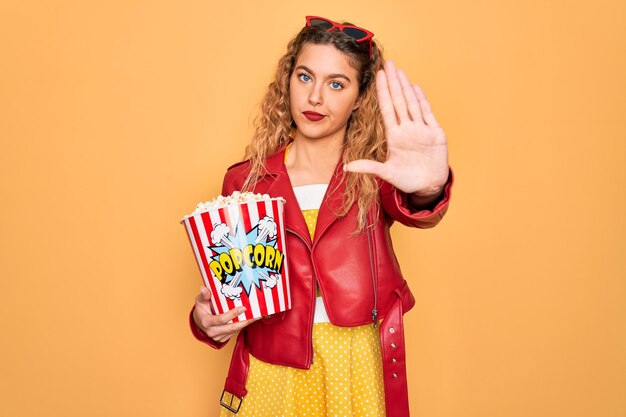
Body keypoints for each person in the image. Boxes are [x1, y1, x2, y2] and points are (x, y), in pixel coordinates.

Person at [189, 15, 454, 417]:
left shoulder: (375, 175)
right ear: (287, 81)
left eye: (336, 84)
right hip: (271, 371)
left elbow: (418, 210)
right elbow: (230, 288)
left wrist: (429, 187)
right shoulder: (245, 180)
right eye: (305, 76)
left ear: (360, 96)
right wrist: (205, 318)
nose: (315, 98)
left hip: (356, 367)